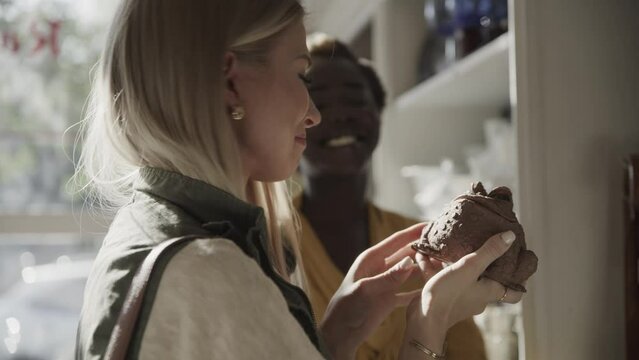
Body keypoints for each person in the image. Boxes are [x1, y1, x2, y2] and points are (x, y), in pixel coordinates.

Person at [74, 0, 524, 359]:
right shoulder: (206, 272)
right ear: (231, 84)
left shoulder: (148, 234)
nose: (314, 114)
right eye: (300, 74)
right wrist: (429, 326)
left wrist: (333, 339)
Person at [296, 33, 487, 360]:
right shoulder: (268, 245)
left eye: (355, 99)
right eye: (320, 102)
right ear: (297, 120)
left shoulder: (427, 242)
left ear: (378, 112)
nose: (340, 115)